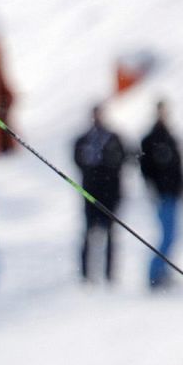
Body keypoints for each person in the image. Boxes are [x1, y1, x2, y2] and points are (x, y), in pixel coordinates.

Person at [73, 104, 127, 284]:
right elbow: (78, 160)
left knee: (110, 234)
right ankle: (86, 274)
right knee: (89, 233)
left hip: (110, 193)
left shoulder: (113, 138)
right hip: (90, 193)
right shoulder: (84, 139)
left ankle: (109, 274)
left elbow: (122, 160)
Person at [139, 99, 183, 291]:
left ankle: (163, 272)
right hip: (162, 194)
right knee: (166, 236)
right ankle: (154, 274)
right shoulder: (150, 139)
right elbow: (145, 168)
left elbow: (180, 166)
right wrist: (153, 187)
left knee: (173, 235)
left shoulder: (171, 137)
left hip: (173, 192)